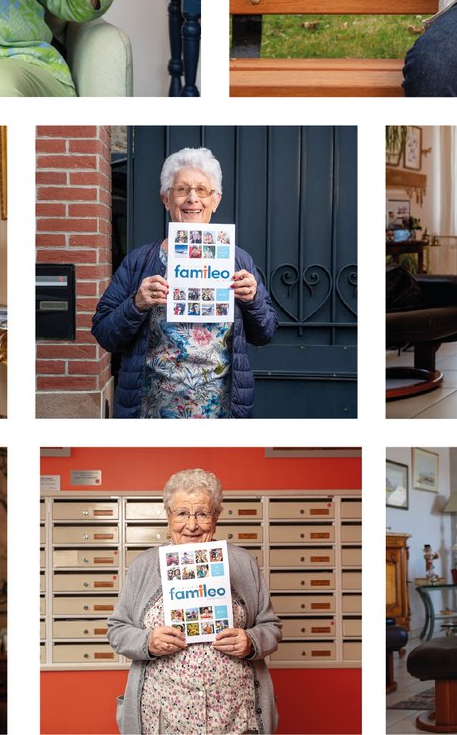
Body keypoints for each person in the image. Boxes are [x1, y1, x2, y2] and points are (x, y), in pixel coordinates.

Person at [92, 148, 277, 418]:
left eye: (202, 190)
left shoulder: (238, 260)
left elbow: (266, 332)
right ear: (166, 199)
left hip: (220, 411)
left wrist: (253, 299)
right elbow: (104, 333)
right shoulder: (140, 261)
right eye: (182, 189)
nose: (193, 199)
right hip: (151, 412)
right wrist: (136, 305)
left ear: (216, 200)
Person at [107, 469, 281, 732]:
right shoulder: (144, 566)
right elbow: (117, 630)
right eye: (182, 513)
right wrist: (148, 642)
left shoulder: (243, 563)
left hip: (235, 718)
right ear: (168, 517)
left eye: (202, 513)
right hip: (163, 719)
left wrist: (251, 642)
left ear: (216, 517)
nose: (192, 525)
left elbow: (271, 627)